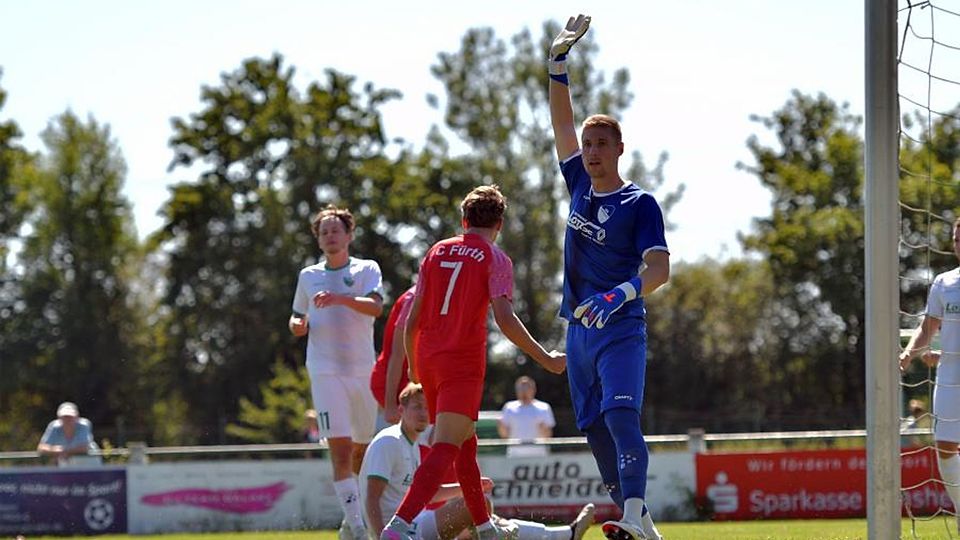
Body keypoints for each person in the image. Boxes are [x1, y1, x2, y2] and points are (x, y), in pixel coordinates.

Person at [380, 185, 567, 540]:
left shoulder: (437, 251)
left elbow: (412, 318)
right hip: (461, 365)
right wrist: (544, 357)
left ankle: (485, 529)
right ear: (499, 223)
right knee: (446, 447)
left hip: (429, 359)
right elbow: (506, 319)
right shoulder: (494, 258)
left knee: (465, 447)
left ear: (464, 220)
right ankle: (397, 527)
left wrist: (414, 368)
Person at [548, 15, 670, 540]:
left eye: (602, 143)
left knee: (622, 418)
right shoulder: (576, 181)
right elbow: (559, 125)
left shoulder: (639, 202)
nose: (591, 150)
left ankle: (635, 509)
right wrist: (556, 66)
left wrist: (620, 292)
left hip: (619, 326)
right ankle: (636, 519)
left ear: (619, 149)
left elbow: (660, 269)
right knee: (595, 430)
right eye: (588, 142)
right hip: (577, 332)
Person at [362, 383, 594, 540]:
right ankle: (560, 535)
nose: (423, 413)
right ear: (401, 410)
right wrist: (380, 536)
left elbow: (426, 494)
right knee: (478, 511)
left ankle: (561, 534)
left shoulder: (411, 443)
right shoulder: (389, 443)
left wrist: (467, 488)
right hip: (402, 530)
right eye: (416, 407)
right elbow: (371, 497)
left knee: (479, 505)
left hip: (415, 523)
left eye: (427, 407)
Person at [290, 204, 384, 540]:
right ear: (318, 240)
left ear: (349, 235)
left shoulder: (366, 269)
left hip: (362, 370)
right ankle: (358, 529)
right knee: (341, 449)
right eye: (323, 231)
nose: (330, 236)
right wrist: (297, 325)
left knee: (362, 448)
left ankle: (351, 517)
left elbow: (375, 306)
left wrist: (341, 299)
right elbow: (297, 316)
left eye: (335, 230)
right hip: (325, 371)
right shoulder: (308, 275)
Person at [900, 217, 960, 530]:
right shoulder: (944, 282)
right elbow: (928, 328)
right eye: (957, 239)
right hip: (950, 378)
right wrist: (910, 353)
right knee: (946, 449)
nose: (959, 244)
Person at [371, 285, 417, 426]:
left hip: (411, 383)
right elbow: (397, 355)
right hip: (393, 386)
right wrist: (390, 404)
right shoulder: (413, 298)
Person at [498, 376, 556, 457]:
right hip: (515, 455)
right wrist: (501, 427)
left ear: (534, 389)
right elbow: (504, 435)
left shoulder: (544, 407)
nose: (523, 390)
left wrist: (544, 430)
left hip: (538, 455)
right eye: (520, 388)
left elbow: (548, 435)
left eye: (526, 387)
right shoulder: (508, 407)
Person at [37, 401, 100, 466]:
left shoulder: (84, 425)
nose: (67, 419)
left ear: (77, 417)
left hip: (90, 464)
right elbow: (41, 448)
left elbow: (84, 448)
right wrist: (57, 450)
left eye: (70, 416)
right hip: (68, 465)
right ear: (59, 417)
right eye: (64, 416)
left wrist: (63, 451)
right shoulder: (53, 426)